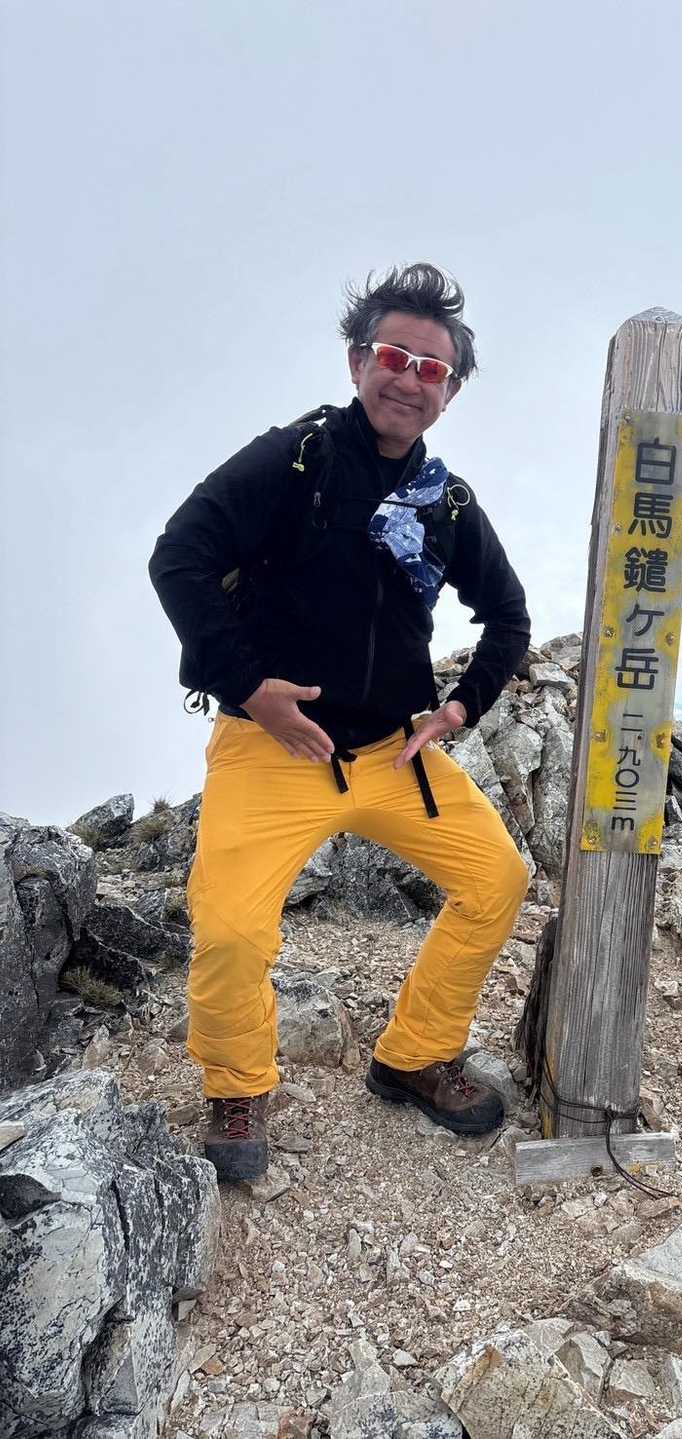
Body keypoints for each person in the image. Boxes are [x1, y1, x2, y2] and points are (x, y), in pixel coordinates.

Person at [149, 263, 531, 1182]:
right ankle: (238, 1086)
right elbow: (179, 557)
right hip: (272, 745)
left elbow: (508, 617)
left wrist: (459, 707)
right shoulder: (296, 460)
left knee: (498, 880)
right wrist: (252, 688)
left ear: (449, 393)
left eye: (431, 369)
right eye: (394, 356)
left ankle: (412, 1056)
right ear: (358, 361)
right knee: (231, 929)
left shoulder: (444, 501)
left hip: (392, 752)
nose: (409, 378)